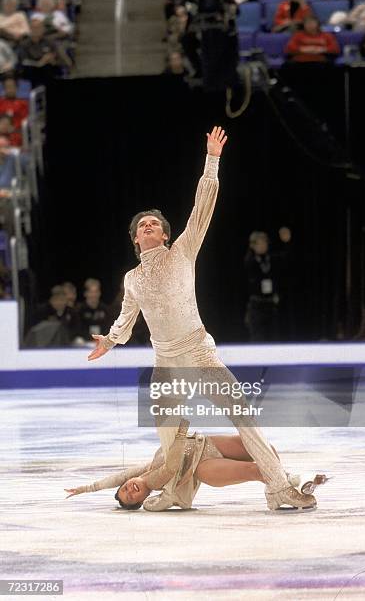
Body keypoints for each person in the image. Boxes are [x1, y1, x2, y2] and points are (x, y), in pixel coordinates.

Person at [87, 126, 317, 512]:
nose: (148, 226)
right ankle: (178, 489)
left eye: (154, 224)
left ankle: (278, 487)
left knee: (241, 412)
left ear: (164, 236)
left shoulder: (181, 252)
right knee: (171, 446)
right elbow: (127, 319)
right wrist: (110, 341)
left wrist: (212, 160)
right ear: (135, 239)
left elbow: (202, 208)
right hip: (165, 364)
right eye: (142, 225)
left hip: (198, 353)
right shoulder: (132, 279)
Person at [65, 420, 326, 511]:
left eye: (125, 489)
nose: (130, 489)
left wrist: (87, 488)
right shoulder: (156, 482)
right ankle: (286, 487)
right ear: (142, 497)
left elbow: (117, 476)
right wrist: (178, 435)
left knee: (265, 450)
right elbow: (171, 468)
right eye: (132, 496)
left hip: (206, 442)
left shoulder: (142, 471)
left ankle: (290, 480)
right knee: (257, 469)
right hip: (203, 466)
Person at [244, 231, 281, 342]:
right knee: (258, 337)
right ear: (253, 245)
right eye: (260, 243)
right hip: (257, 304)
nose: (263, 246)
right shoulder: (250, 260)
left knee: (273, 336)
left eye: (265, 243)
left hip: (270, 303)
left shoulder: (270, 258)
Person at [0, 77, 29, 148]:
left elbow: (25, 122)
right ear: (4, 89)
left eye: (12, 86)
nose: (9, 89)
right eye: (7, 87)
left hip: (16, 135)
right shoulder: (0, 102)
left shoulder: (23, 104)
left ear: (16, 87)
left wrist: (13, 128)